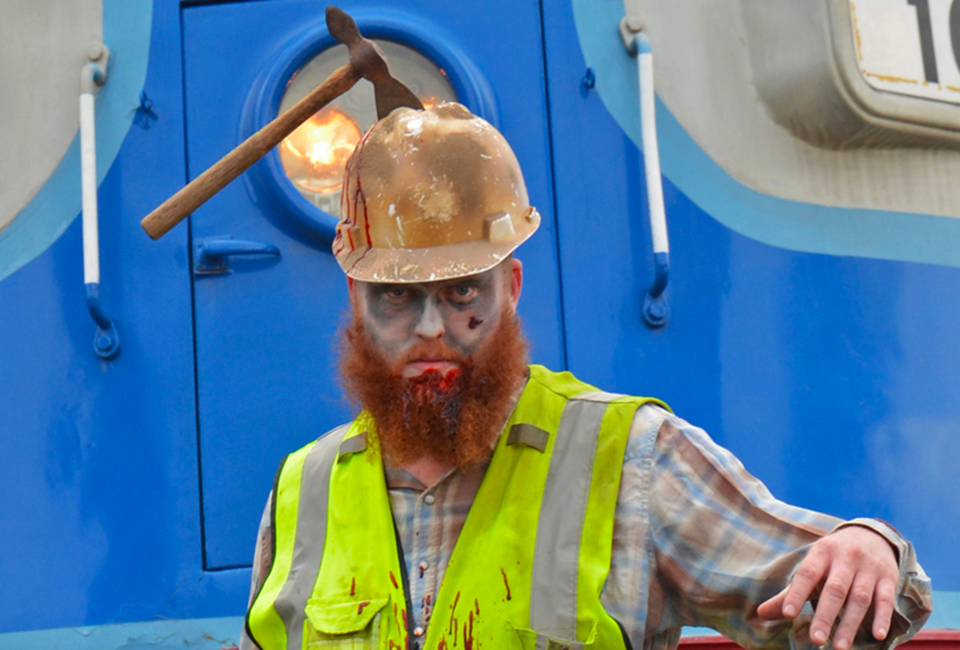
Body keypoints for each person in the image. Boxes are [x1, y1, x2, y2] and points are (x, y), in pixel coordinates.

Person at [239, 103, 931, 650]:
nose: (429, 328)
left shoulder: (630, 461)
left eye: (461, 291)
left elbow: (844, 597)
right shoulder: (303, 493)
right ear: (354, 299)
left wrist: (870, 547)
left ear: (511, 288)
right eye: (395, 295)